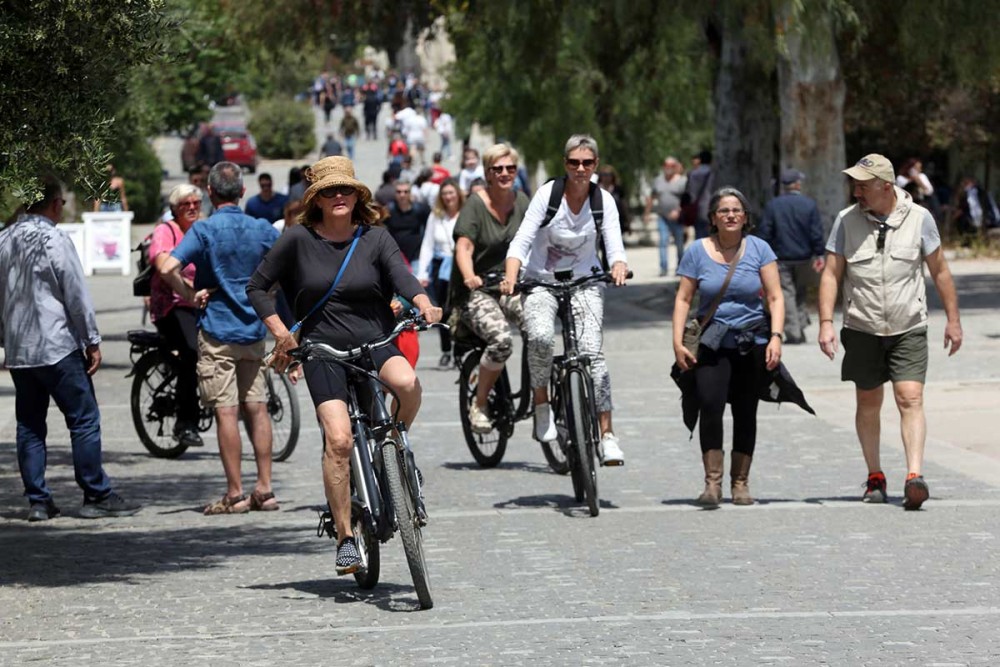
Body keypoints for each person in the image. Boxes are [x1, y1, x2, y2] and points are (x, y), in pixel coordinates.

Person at [247, 155, 441, 575]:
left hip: (375, 342)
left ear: (357, 196)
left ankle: (394, 449)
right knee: (338, 441)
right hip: (322, 352)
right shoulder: (297, 240)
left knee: (407, 385)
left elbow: (401, 277)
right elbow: (258, 287)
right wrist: (282, 333)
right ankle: (345, 536)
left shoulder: (376, 238)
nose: (339, 196)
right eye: (330, 191)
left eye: (345, 190)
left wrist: (423, 302)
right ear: (316, 199)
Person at [818, 153, 963, 510]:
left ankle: (914, 476)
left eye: (863, 185)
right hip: (862, 326)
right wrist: (825, 323)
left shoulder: (920, 219)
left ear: (886, 186)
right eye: (854, 183)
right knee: (868, 402)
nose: (856, 190)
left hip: (908, 325)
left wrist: (953, 319)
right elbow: (831, 274)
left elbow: (940, 271)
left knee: (909, 397)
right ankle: (875, 475)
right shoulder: (846, 221)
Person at [0, 177, 141, 521]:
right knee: (83, 418)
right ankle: (96, 493)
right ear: (53, 204)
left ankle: (38, 500)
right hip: (57, 345)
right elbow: (75, 294)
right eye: (61, 203)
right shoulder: (54, 239)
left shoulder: (3, 239)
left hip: (20, 349)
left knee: (30, 424)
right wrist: (92, 339)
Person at [159, 162, 281, 515]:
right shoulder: (261, 229)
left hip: (217, 331)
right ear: (243, 192)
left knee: (226, 412)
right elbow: (287, 265)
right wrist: (268, 294)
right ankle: (266, 489)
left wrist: (189, 293)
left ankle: (236, 493)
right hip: (254, 329)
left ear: (210, 193)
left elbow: (167, 267)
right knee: (256, 408)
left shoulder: (204, 231)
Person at [502, 134, 629, 465]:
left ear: (595, 165)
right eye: (574, 162)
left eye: (587, 162)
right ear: (565, 164)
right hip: (541, 281)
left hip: (585, 281)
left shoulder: (603, 200)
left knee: (593, 355)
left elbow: (614, 246)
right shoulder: (548, 195)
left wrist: (618, 266)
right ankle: (542, 405)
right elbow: (521, 241)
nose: (580, 169)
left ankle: (607, 435)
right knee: (541, 338)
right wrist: (512, 275)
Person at [672, 187, 784, 506]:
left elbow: (775, 297)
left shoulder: (760, 249)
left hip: (752, 342)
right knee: (710, 405)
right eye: (724, 211)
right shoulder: (697, 251)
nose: (731, 215)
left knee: (746, 410)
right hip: (711, 342)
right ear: (713, 218)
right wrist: (677, 342)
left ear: (745, 217)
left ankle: (740, 483)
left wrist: (776, 337)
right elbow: (683, 299)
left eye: (737, 210)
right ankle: (712, 483)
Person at [450, 143, 530, 434]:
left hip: (511, 285)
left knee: (538, 326)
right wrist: (469, 275)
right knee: (501, 340)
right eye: (498, 169)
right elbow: (464, 247)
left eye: (510, 168)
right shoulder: (475, 204)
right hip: (479, 289)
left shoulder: (521, 201)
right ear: (487, 173)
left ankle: (544, 396)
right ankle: (480, 403)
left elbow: (538, 238)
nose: (505, 173)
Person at [149, 184, 205, 449]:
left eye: (196, 203)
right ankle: (185, 422)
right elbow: (162, 266)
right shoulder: (165, 231)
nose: (192, 208)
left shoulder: (201, 229)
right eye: (186, 204)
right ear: (174, 209)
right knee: (191, 352)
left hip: (199, 303)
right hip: (171, 306)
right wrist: (188, 292)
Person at [756, 168, 826, 344]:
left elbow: (765, 231)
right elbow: (816, 232)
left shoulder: (773, 205)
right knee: (800, 293)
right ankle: (798, 328)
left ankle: (794, 330)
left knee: (787, 293)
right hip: (804, 257)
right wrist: (819, 253)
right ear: (796, 184)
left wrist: (761, 254)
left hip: (781, 257)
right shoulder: (809, 204)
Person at [417, 178, 463, 368]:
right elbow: (427, 244)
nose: (448, 197)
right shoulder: (435, 216)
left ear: (458, 194)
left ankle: (460, 350)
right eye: (444, 194)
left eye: (451, 193)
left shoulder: (466, 213)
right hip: (440, 266)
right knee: (443, 311)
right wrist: (422, 273)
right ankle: (446, 351)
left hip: (462, 266)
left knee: (461, 310)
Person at [644, 156, 687, 277]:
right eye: (666, 165)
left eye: (672, 166)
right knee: (663, 241)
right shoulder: (658, 180)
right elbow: (652, 197)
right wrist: (647, 213)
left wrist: (679, 211)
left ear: (676, 167)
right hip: (662, 216)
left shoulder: (682, 181)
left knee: (679, 243)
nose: (668, 168)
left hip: (677, 217)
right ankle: (663, 267)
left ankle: (681, 267)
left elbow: (687, 200)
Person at [384, 178, 429, 271]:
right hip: (395, 255)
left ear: (410, 193)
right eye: (399, 192)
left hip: (416, 255)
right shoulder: (389, 210)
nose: (402, 195)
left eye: (405, 192)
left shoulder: (420, 209)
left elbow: (428, 230)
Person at [685, 151, 714, 239]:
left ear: (700, 160)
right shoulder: (715, 172)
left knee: (700, 236)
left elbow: (691, 192)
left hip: (698, 209)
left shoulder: (693, 173)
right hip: (713, 208)